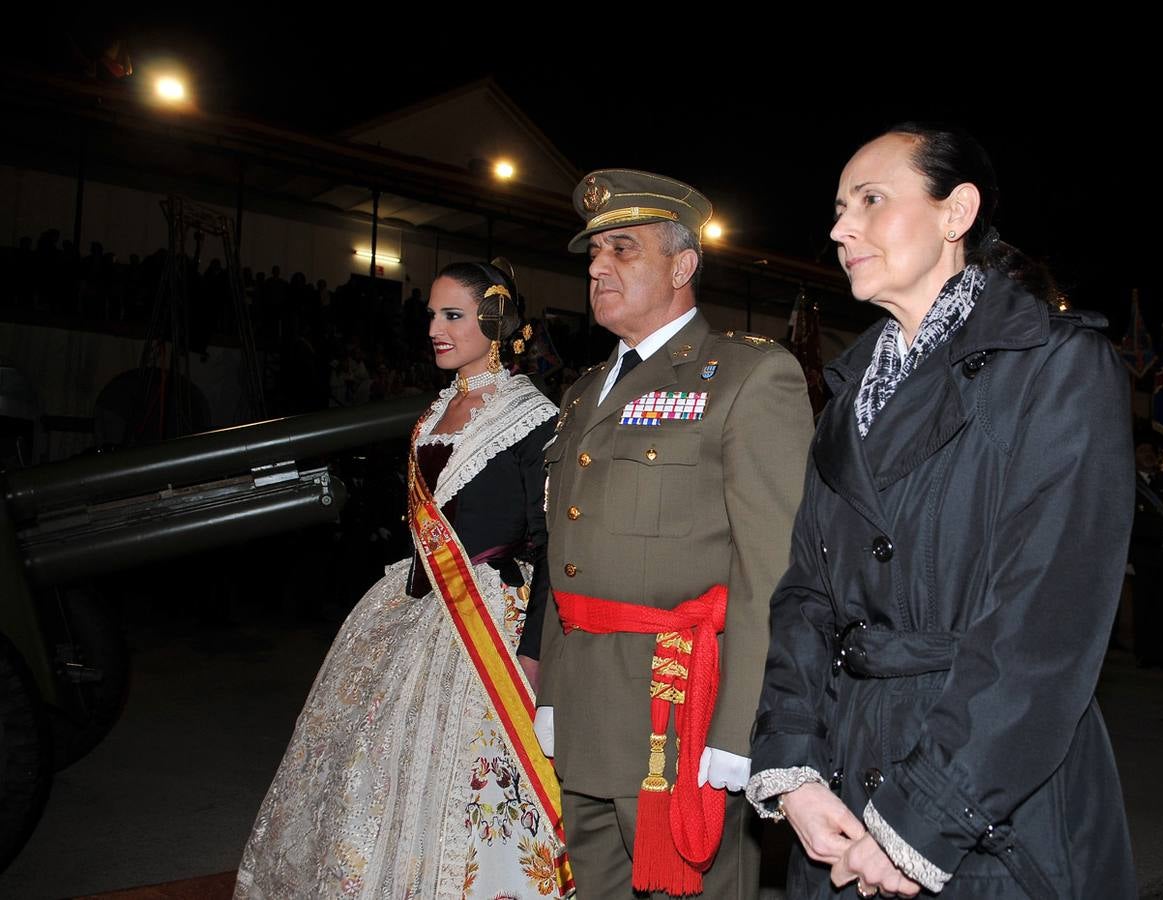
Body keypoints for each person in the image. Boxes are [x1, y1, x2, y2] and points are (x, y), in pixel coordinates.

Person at [745, 124, 1136, 898]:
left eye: (870, 200)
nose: (839, 228)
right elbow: (805, 596)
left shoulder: (1057, 366)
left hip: (988, 796)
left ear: (955, 213)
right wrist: (796, 774)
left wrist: (920, 822)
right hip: (845, 787)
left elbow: (1045, 629)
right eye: (837, 207)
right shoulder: (852, 393)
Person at [235, 260, 571, 899]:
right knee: (366, 768)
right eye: (431, 316)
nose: (435, 330)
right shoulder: (437, 409)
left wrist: (532, 650)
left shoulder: (533, 416)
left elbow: (552, 543)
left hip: (487, 617)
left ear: (494, 322)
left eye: (453, 316)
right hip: (413, 602)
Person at [533, 169, 814, 898]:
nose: (597, 267)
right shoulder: (581, 389)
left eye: (623, 249)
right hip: (590, 702)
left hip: (680, 711)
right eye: (594, 254)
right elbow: (568, 554)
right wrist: (554, 696)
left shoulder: (747, 377)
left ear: (683, 265)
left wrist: (743, 729)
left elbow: (772, 571)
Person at [1130, 442, 1163, 669]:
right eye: (1142, 451)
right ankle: (1145, 652)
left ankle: (1162, 652)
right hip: (1143, 554)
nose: (1148, 454)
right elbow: (1123, 524)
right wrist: (1128, 558)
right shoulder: (1128, 484)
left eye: (1151, 451)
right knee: (1144, 606)